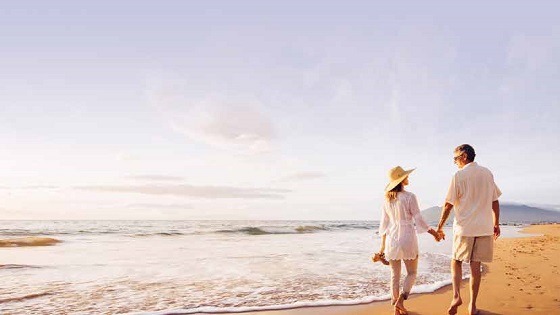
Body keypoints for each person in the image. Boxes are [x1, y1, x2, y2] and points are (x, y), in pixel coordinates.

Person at [436, 144, 501, 315]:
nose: (455, 162)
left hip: (464, 228)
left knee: (456, 261)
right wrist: (496, 224)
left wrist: (440, 226)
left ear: (464, 156)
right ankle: (472, 306)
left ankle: (456, 296)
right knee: (475, 266)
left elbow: (448, 204)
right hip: (485, 227)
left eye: (455, 158)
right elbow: (495, 201)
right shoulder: (487, 173)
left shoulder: (459, 175)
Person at [376, 166, 441, 315]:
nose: (408, 178)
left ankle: (396, 310)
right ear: (401, 180)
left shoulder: (386, 200)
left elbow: (383, 225)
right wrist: (434, 233)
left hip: (391, 239)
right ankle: (401, 300)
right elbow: (419, 219)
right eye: (406, 176)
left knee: (394, 275)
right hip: (407, 237)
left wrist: (382, 248)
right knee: (412, 273)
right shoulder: (410, 196)